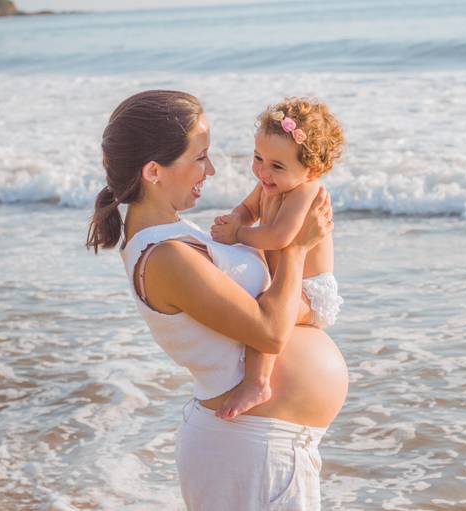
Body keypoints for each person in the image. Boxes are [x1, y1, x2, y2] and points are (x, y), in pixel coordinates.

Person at [86, 90, 349, 511]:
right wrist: (299, 248)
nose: (210, 169)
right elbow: (269, 332)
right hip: (249, 450)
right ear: (154, 171)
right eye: (200, 157)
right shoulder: (166, 256)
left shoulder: (177, 235)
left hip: (259, 448)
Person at [210, 97, 344, 420]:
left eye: (276, 166)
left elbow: (280, 237)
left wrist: (238, 235)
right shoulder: (268, 184)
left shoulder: (307, 192)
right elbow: (248, 209)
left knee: (265, 313)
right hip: (286, 280)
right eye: (258, 158)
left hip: (311, 292)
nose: (263, 172)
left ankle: (258, 383)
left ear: (310, 170)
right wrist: (235, 219)